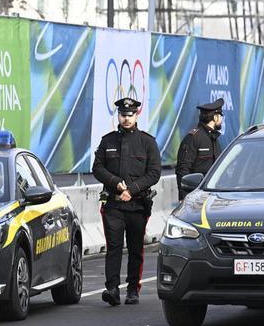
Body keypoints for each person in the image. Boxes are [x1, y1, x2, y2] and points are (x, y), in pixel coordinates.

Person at [92, 97, 161, 306]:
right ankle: (112, 289)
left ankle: (133, 289)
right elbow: (97, 168)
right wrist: (115, 183)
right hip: (113, 205)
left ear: (136, 115)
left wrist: (132, 190)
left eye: (130, 115)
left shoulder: (147, 142)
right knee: (114, 247)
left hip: (137, 205)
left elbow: (154, 173)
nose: (126, 119)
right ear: (118, 116)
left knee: (135, 248)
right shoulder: (108, 141)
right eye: (123, 115)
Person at [175, 98, 224, 200]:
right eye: (220, 116)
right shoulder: (193, 137)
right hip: (196, 197)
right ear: (215, 117)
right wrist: (184, 198)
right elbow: (182, 169)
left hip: (213, 196)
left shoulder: (214, 138)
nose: (221, 119)